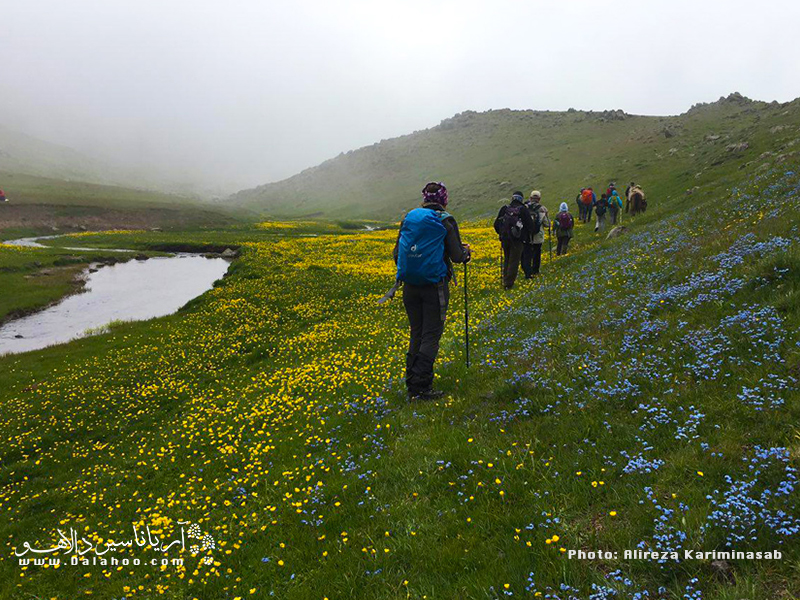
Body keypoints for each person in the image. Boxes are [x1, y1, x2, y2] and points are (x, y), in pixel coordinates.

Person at [393, 182, 471, 401]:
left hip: (409, 286)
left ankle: (411, 384)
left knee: (416, 333)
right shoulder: (445, 219)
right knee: (431, 335)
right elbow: (457, 256)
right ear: (443, 198)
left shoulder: (409, 218)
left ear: (424, 197)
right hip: (434, 287)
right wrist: (466, 253)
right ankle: (421, 387)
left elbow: (397, 254)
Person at [494, 191, 534, 289]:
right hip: (518, 240)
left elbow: (496, 224)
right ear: (521, 199)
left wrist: (501, 234)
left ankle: (505, 280)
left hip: (505, 239)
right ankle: (508, 284)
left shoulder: (505, 208)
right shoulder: (523, 210)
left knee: (507, 259)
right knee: (514, 261)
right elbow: (530, 225)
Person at [523, 190, 549, 277]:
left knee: (527, 254)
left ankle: (528, 271)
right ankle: (536, 270)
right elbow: (547, 224)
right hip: (538, 236)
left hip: (527, 236)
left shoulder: (525, 208)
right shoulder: (542, 209)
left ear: (530, 198)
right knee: (537, 254)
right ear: (539, 199)